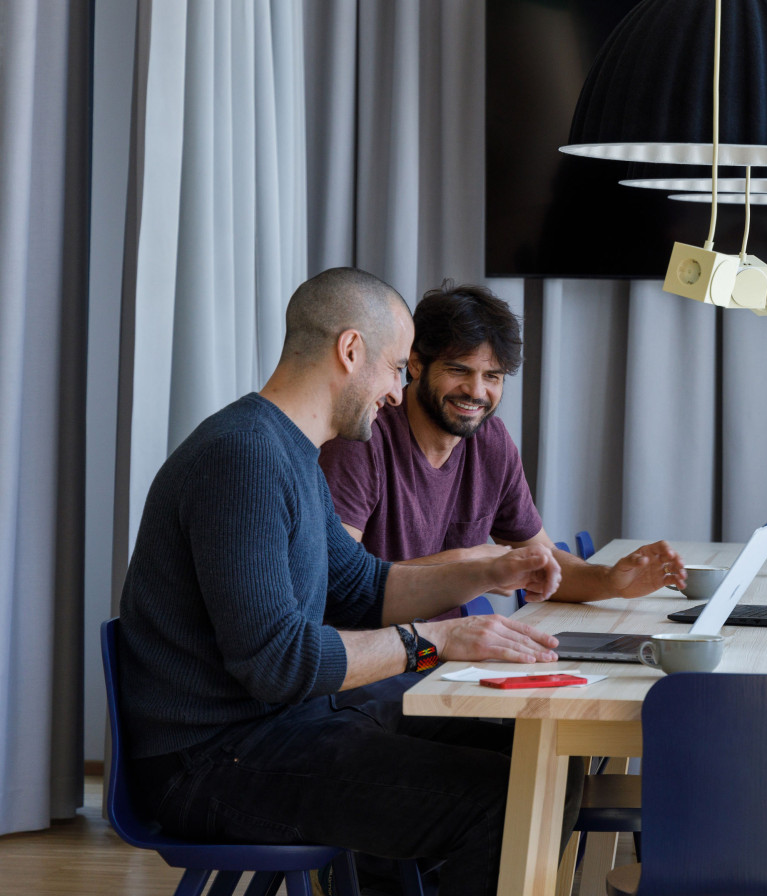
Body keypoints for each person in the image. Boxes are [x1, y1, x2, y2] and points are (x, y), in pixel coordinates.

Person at [118, 267, 565, 896]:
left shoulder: (289, 451)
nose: (397, 393)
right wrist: (436, 641)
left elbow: (365, 588)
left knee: (537, 760)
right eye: (396, 368)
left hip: (286, 727)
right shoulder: (242, 457)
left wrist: (488, 576)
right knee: (503, 800)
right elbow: (277, 662)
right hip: (213, 760)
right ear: (351, 350)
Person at [319, 281, 686, 611]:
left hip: (446, 649)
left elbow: (542, 561)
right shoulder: (361, 439)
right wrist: (469, 563)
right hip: (381, 653)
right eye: (459, 370)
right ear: (415, 364)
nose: (476, 392)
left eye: (492, 376)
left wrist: (610, 582)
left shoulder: (490, 442)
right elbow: (337, 583)